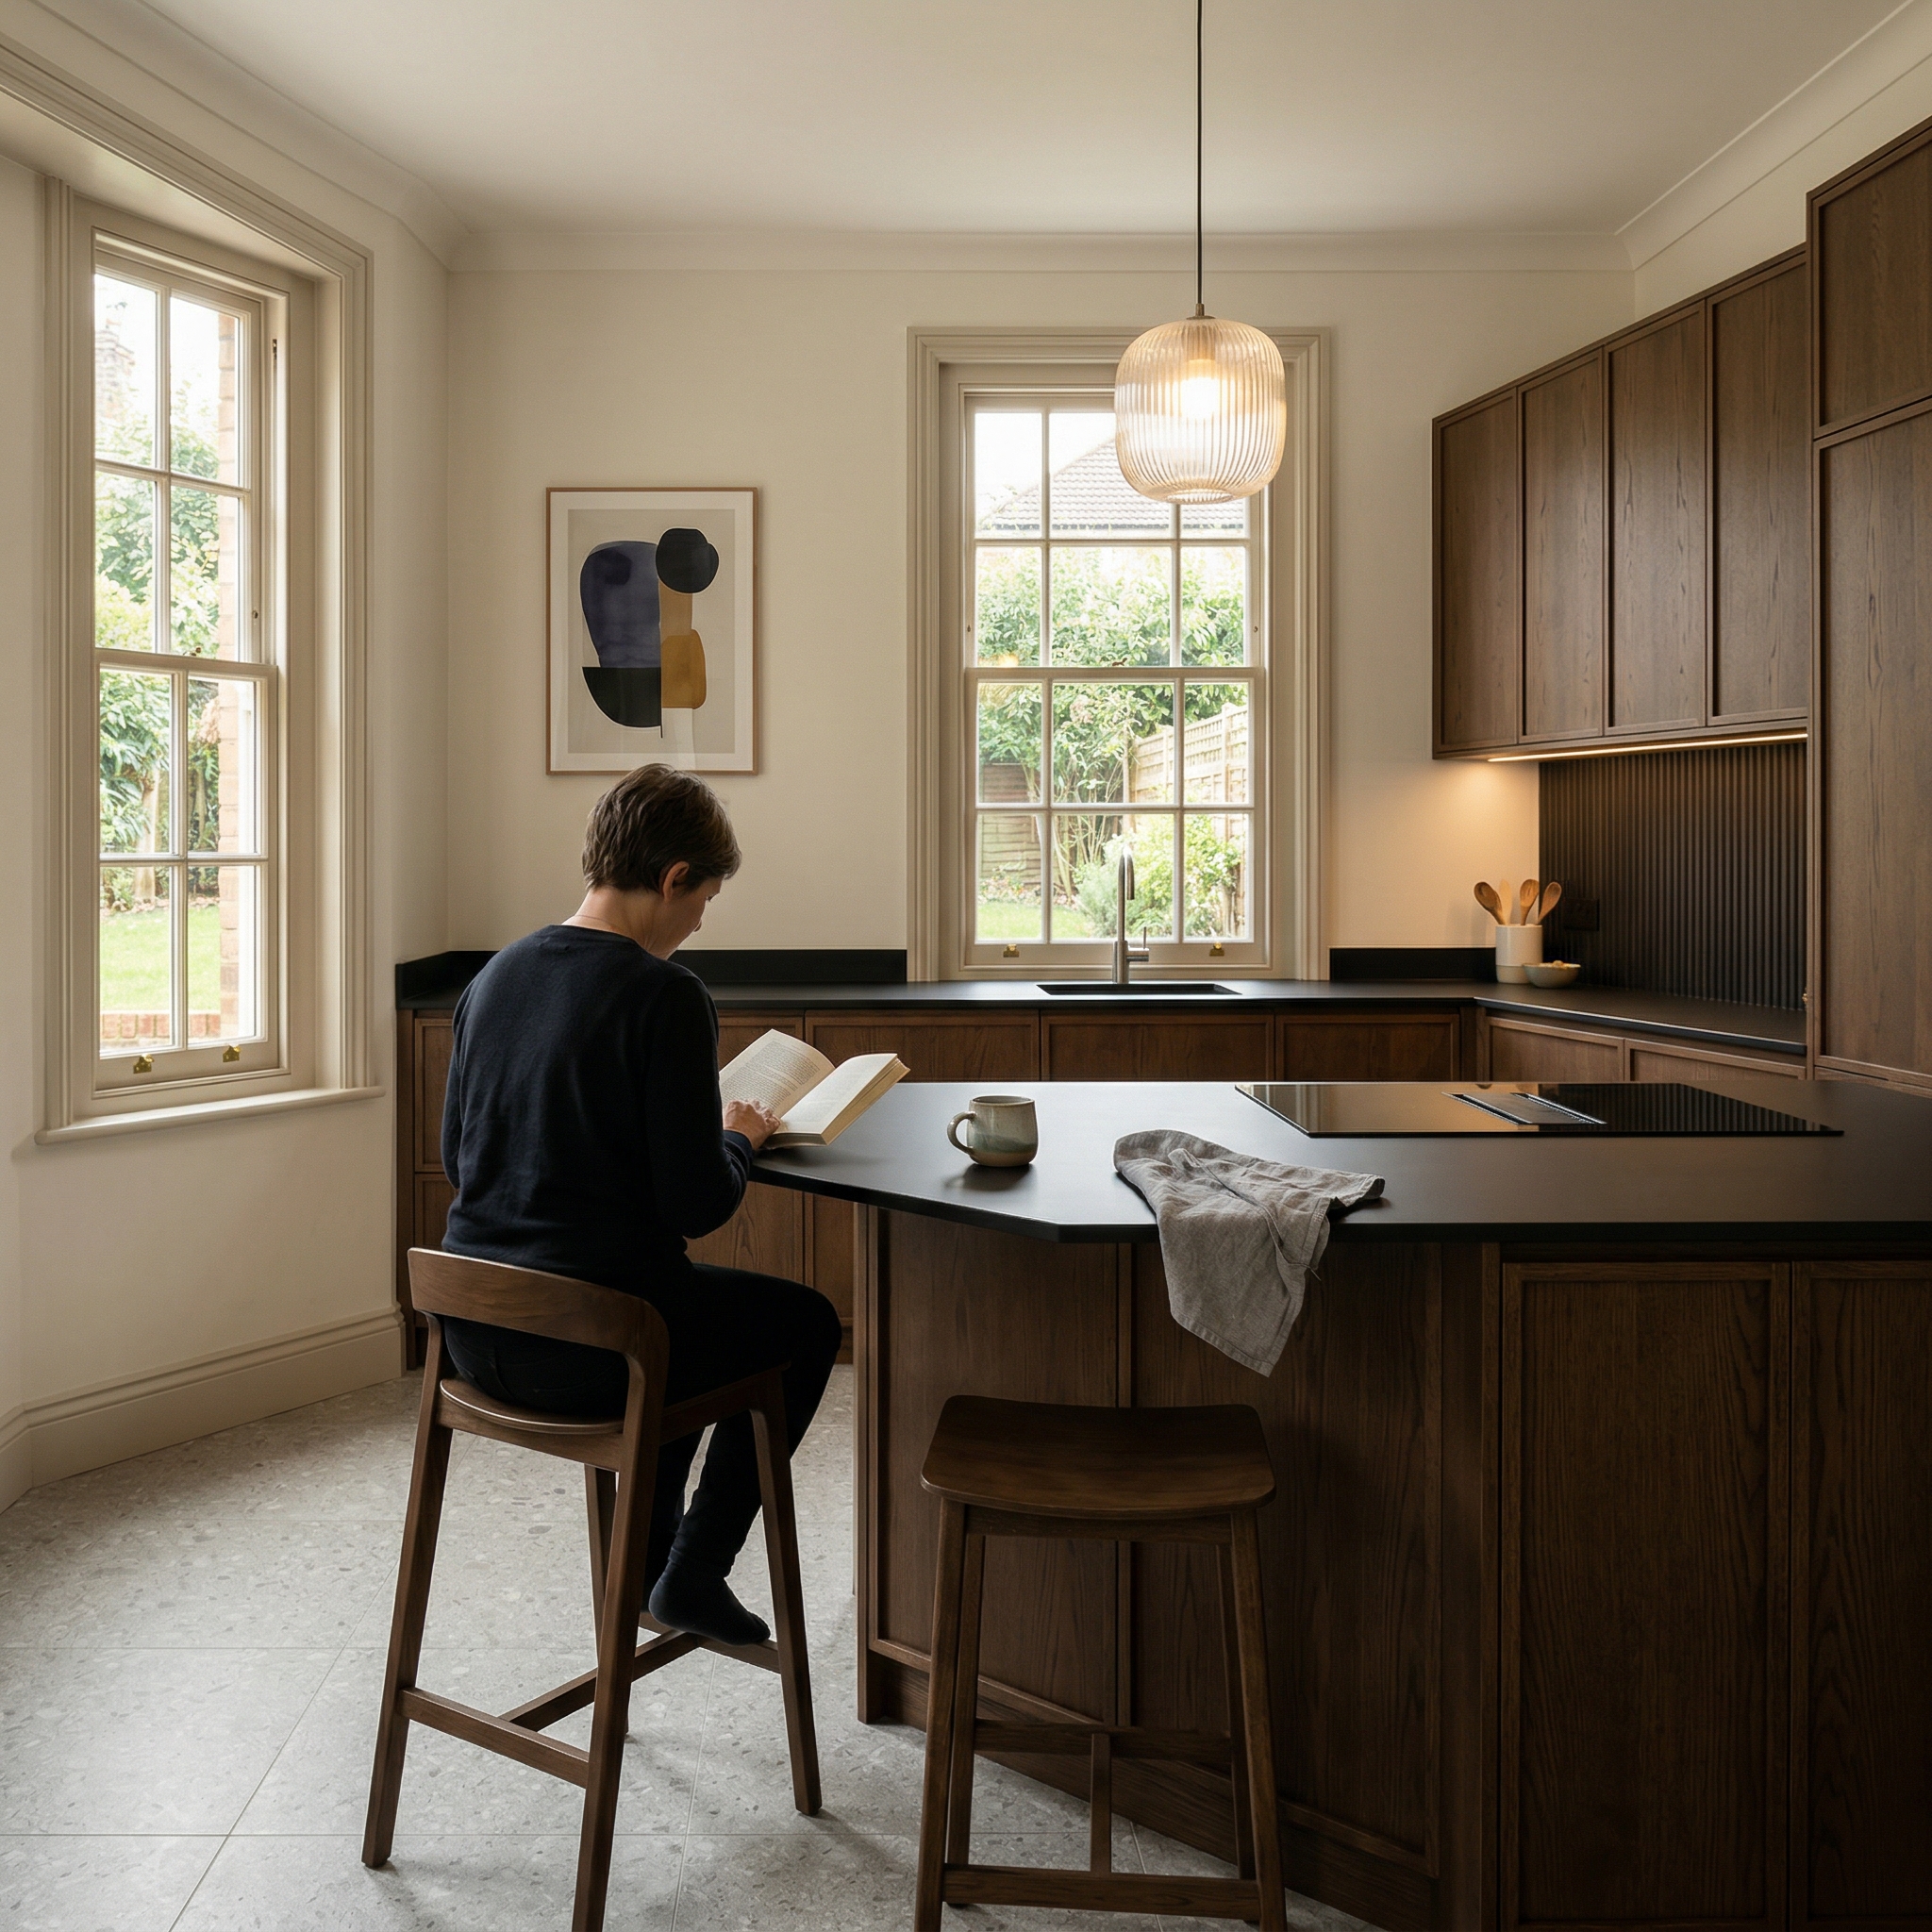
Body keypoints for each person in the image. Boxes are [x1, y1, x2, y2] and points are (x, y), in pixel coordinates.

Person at [436, 763, 842, 1647]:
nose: (700, 921)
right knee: (802, 1323)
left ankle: (647, 1567)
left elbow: (457, 1162)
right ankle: (690, 1573)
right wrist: (740, 1137)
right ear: (671, 879)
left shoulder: (495, 978)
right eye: (704, 898)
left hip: (473, 1337)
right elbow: (697, 1202)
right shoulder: (664, 994)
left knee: (678, 1301)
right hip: (595, 1350)